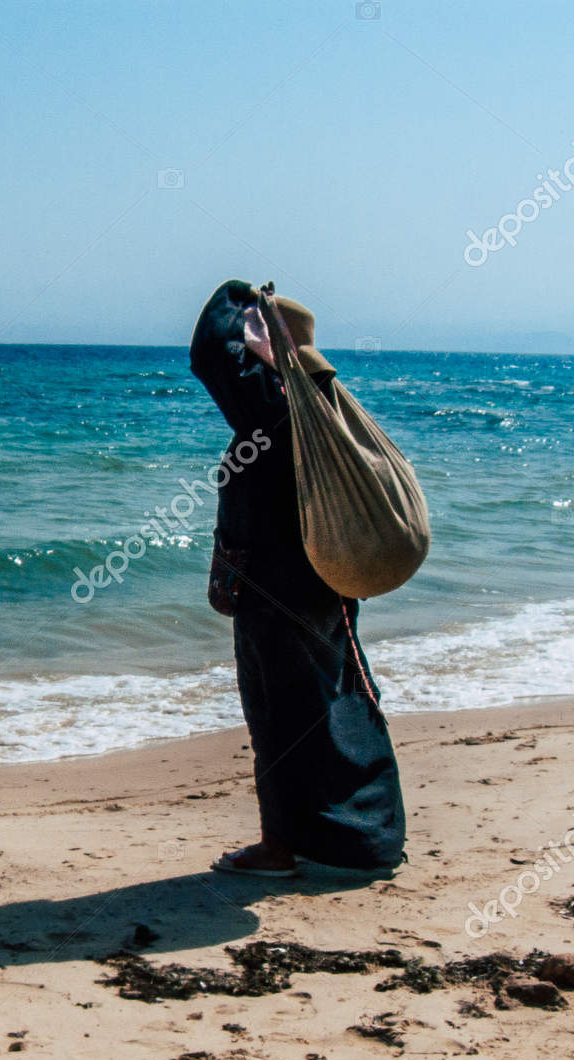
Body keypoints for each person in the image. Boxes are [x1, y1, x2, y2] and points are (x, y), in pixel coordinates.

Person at [189, 279, 405, 877]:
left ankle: (280, 847)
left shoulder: (271, 402)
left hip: (277, 585)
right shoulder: (322, 402)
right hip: (325, 579)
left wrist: (238, 296)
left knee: (278, 713)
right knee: (339, 698)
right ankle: (371, 839)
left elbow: (207, 352)